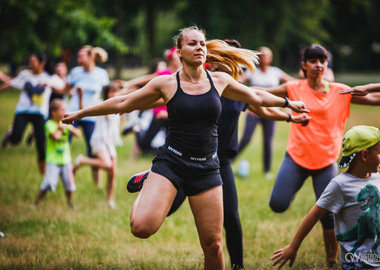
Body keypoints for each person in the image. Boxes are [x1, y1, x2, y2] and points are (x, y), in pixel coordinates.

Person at [62, 26, 308, 269]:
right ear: (179, 51)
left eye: (202, 43)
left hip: (207, 169)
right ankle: (148, 182)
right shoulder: (166, 84)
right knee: (141, 229)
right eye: (192, 43)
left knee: (213, 245)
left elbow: (256, 97)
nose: (199, 47)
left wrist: (288, 103)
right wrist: (81, 112)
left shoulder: (220, 80)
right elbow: (123, 103)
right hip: (172, 164)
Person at [126, 39, 311, 270]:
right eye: (225, 55)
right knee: (167, 210)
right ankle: (150, 180)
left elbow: (261, 108)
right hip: (185, 160)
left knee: (231, 217)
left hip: (219, 164)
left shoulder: (236, 89)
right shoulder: (200, 85)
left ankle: (238, 266)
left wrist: (290, 117)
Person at [265, 44, 380, 266]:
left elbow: (376, 100)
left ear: (327, 64)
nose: (318, 65)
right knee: (277, 204)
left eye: (322, 60)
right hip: (296, 159)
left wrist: (371, 86)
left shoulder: (340, 91)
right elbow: (261, 95)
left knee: (328, 214)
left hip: (326, 162)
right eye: (313, 60)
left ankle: (331, 261)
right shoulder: (293, 87)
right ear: (304, 65)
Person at [271, 125, 380, 269]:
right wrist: (293, 246)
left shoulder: (377, 178)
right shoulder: (340, 185)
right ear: (364, 155)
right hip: (356, 264)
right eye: (379, 152)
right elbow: (314, 215)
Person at [236, 46, 296, 179]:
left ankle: (267, 170)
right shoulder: (252, 72)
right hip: (254, 111)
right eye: (261, 55)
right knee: (246, 139)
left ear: (270, 58)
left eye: (266, 55)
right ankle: (229, 162)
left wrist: (306, 81)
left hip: (272, 111)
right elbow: (238, 81)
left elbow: (292, 83)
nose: (263, 58)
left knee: (268, 142)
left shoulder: (276, 72)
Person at [0, 52, 64, 175]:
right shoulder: (25, 75)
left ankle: (43, 175)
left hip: (40, 114)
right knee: (16, 139)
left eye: (33, 61)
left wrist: (51, 84)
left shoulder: (49, 77)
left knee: (41, 146)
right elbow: (10, 84)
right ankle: (10, 136)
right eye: (30, 61)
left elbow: (63, 89)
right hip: (23, 112)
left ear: (42, 63)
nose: (30, 63)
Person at [65, 45, 110, 188]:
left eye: (81, 56)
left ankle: (97, 185)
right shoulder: (75, 72)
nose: (78, 59)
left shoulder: (102, 74)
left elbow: (107, 95)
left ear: (91, 57)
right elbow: (64, 90)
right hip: (73, 113)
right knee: (64, 144)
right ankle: (66, 179)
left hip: (91, 116)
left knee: (94, 150)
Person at [73, 82, 122, 209]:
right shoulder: (101, 104)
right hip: (99, 140)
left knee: (112, 173)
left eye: (116, 91)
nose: (114, 94)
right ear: (106, 93)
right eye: (111, 91)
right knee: (107, 164)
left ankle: (110, 201)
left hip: (110, 142)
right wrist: (80, 96)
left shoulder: (120, 104)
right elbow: (85, 110)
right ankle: (82, 160)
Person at [34, 99, 81, 207]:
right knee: (48, 183)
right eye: (62, 110)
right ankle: (37, 202)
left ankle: (70, 204)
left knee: (69, 185)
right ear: (53, 112)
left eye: (65, 109)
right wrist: (60, 129)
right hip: (53, 160)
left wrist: (69, 127)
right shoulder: (49, 124)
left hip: (66, 160)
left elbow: (78, 134)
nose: (64, 112)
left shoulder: (65, 124)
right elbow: (55, 137)